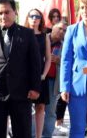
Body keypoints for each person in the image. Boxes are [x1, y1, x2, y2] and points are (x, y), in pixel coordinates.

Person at [0, 0, 41, 138]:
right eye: (0, 13)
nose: (3, 16)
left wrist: (35, 87)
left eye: (7, 12)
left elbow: (35, 62)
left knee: (22, 133)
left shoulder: (27, 34)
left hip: (22, 93)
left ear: (15, 12)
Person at [60, 0, 87, 138]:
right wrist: (64, 87)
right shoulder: (71, 30)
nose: (85, 11)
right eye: (82, 7)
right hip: (76, 87)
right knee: (77, 129)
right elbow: (66, 60)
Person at [24, 8, 52, 138]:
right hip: (24, 77)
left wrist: (44, 74)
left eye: (37, 16)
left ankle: (38, 136)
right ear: (28, 18)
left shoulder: (44, 36)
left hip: (40, 76)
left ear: (41, 19)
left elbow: (48, 58)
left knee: (40, 108)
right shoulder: (22, 34)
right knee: (24, 108)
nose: (34, 18)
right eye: (32, 16)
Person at [42, 21, 67, 137]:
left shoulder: (65, 45)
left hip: (53, 81)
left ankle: (47, 135)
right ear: (53, 28)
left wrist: (59, 60)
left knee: (51, 111)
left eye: (65, 30)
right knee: (35, 109)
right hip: (39, 79)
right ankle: (32, 134)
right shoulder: (41, 38)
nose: (62, 32)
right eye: (60, 28)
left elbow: (69, 63)